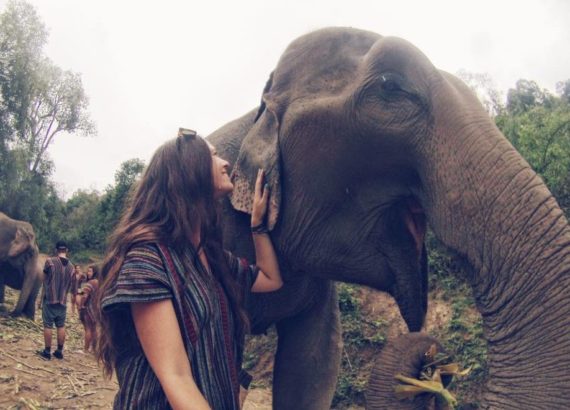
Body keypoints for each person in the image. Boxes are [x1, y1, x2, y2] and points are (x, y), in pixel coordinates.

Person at [96, 128, 283, 410]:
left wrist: (257, 226)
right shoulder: (147, 261)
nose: (225, 163)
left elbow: (271, 280)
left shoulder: (212, 258)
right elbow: (176, 377)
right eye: (213, 156)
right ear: (188, 173)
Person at [37, 240, 75, 360]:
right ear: (67, 250)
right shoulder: (72, 267)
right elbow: (72, 286)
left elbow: (44, 280)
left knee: (48, 325)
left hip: (50, 299)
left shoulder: (49, 262)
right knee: (61, 325)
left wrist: (40, 299)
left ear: (56, 250)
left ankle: (47, 352)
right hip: (63, 300)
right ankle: (59, 351)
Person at [77, 264, 100, 353]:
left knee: (88, 329)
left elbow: (85, 295)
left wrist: (81, 305)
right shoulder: (100, 282)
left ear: (95, 272)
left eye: (90, 271)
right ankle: (94, 349)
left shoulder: (91, 283)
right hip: (97, 310)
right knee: (94, 329)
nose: (88, 273)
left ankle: (86, 349)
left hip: (89, 309)